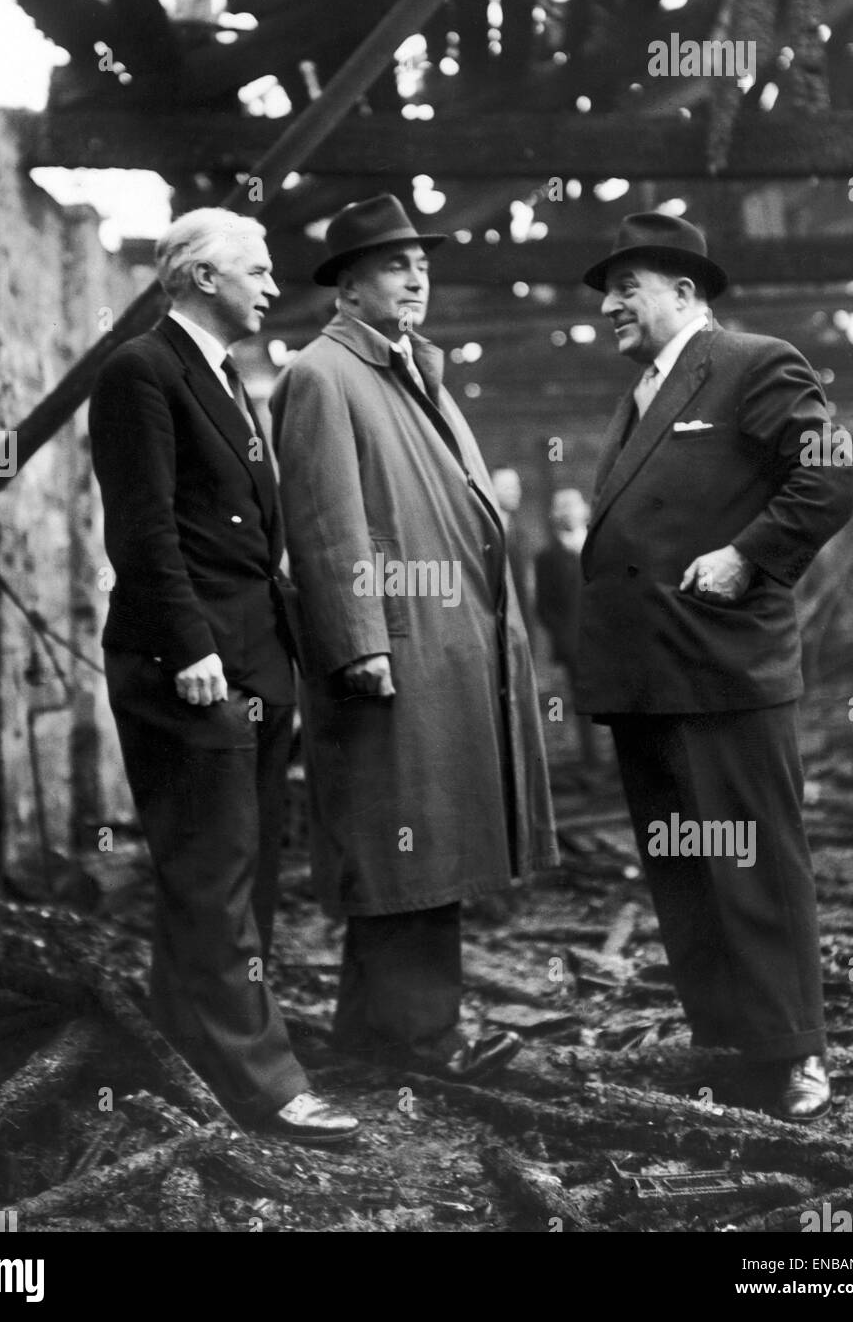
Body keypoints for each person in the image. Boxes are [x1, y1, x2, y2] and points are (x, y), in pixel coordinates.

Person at [575, 212, 853, 1121]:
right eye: (605, 291)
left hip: (722, 671)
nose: (610, 305)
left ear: (685, 292)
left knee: (755, 868)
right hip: (650, 680)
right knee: (687, 873)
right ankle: (734, 1050)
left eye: (628, 286)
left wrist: (748, 554)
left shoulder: (751, 362)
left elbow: (829, 475)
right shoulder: (639, 396)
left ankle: (796, 1056)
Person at [271, 194, 559, 1082]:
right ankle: (424, 1041)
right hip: (393, 653)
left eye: (421, 264)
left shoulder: (409, 369)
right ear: (348, 285)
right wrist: (359, 645)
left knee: (425, 839)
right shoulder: (325, 374)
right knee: (411, 845)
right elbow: (323, 524)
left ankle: (370, 1032)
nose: (416, 277)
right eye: (395, 265)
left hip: (440, 648)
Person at [89, 208, 358, 1144]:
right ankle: (264, 1084)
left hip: (251, 659)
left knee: (237, 875)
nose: (276, 286)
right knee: (214, 871)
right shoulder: (140, 371)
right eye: (259, 269)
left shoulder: (227, 378)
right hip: (191, 667)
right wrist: (189, 648)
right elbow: (143, 527)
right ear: (203, 277)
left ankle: (186, 1044)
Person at [534, 487, 601, 767]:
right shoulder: (547, 557)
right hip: (574, 644)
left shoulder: (598, 547)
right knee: (582, 703)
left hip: (606, 638)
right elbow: (544, 606)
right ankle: (591, 761)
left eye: (574, 505)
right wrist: (563, 636)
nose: (570, 511)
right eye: (564, 507)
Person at [491, 466, 534, 634]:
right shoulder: (488, 534)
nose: (515, 492)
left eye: (516, 486)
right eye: (507, 487)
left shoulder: (521, 535)